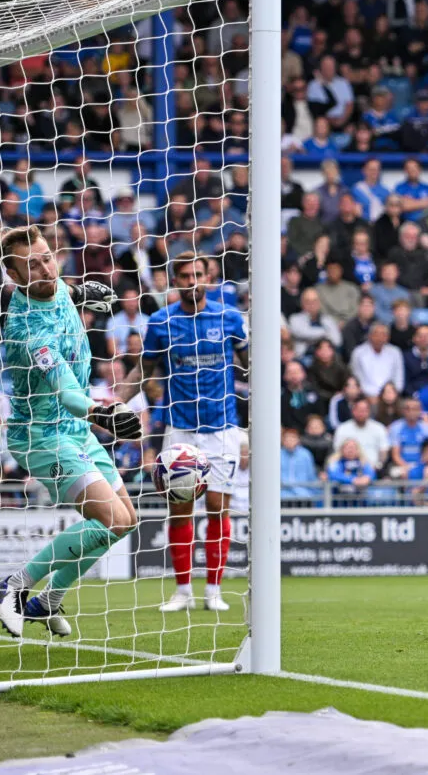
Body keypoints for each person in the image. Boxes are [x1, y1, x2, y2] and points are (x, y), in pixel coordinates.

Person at [0, 226, 139, 638]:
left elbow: (61, 292)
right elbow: (66, 391)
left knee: (127, 521)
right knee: (110, 519)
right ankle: (15, 585)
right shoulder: (27, 332)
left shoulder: (56, 286)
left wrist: (81, 291)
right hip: (41, 436)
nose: (44, 268)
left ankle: (48, 601)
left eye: (46, 257)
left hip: (74, 430)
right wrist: (102, 412)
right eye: (31, 264)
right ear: (15, 276)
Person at [117, 252, 249, 613]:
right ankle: (183, 591)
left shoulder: (229, 317)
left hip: (222, 427)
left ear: (209, 277)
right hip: (179, 429)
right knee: (180, 510)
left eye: (198, 275)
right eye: (186, 276)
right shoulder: (161, 322)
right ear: (175, 281)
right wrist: (113, 403)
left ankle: (214, 591)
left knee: (218, 508)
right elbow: (142, 372)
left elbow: (250, 364)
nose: (192, 282)